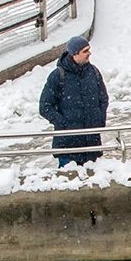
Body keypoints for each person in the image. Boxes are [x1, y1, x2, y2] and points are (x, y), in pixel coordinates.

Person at [39, 36, 109, 167]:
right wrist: (64, 124)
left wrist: (99, 119)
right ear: (74, 54)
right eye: (85, 51)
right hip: (68, 145)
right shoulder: (57, 76)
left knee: (94, 182)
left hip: (91, 144)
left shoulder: (93, 72)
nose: (89, 53)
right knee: (70, 182)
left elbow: (103, 99)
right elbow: (45, 106)